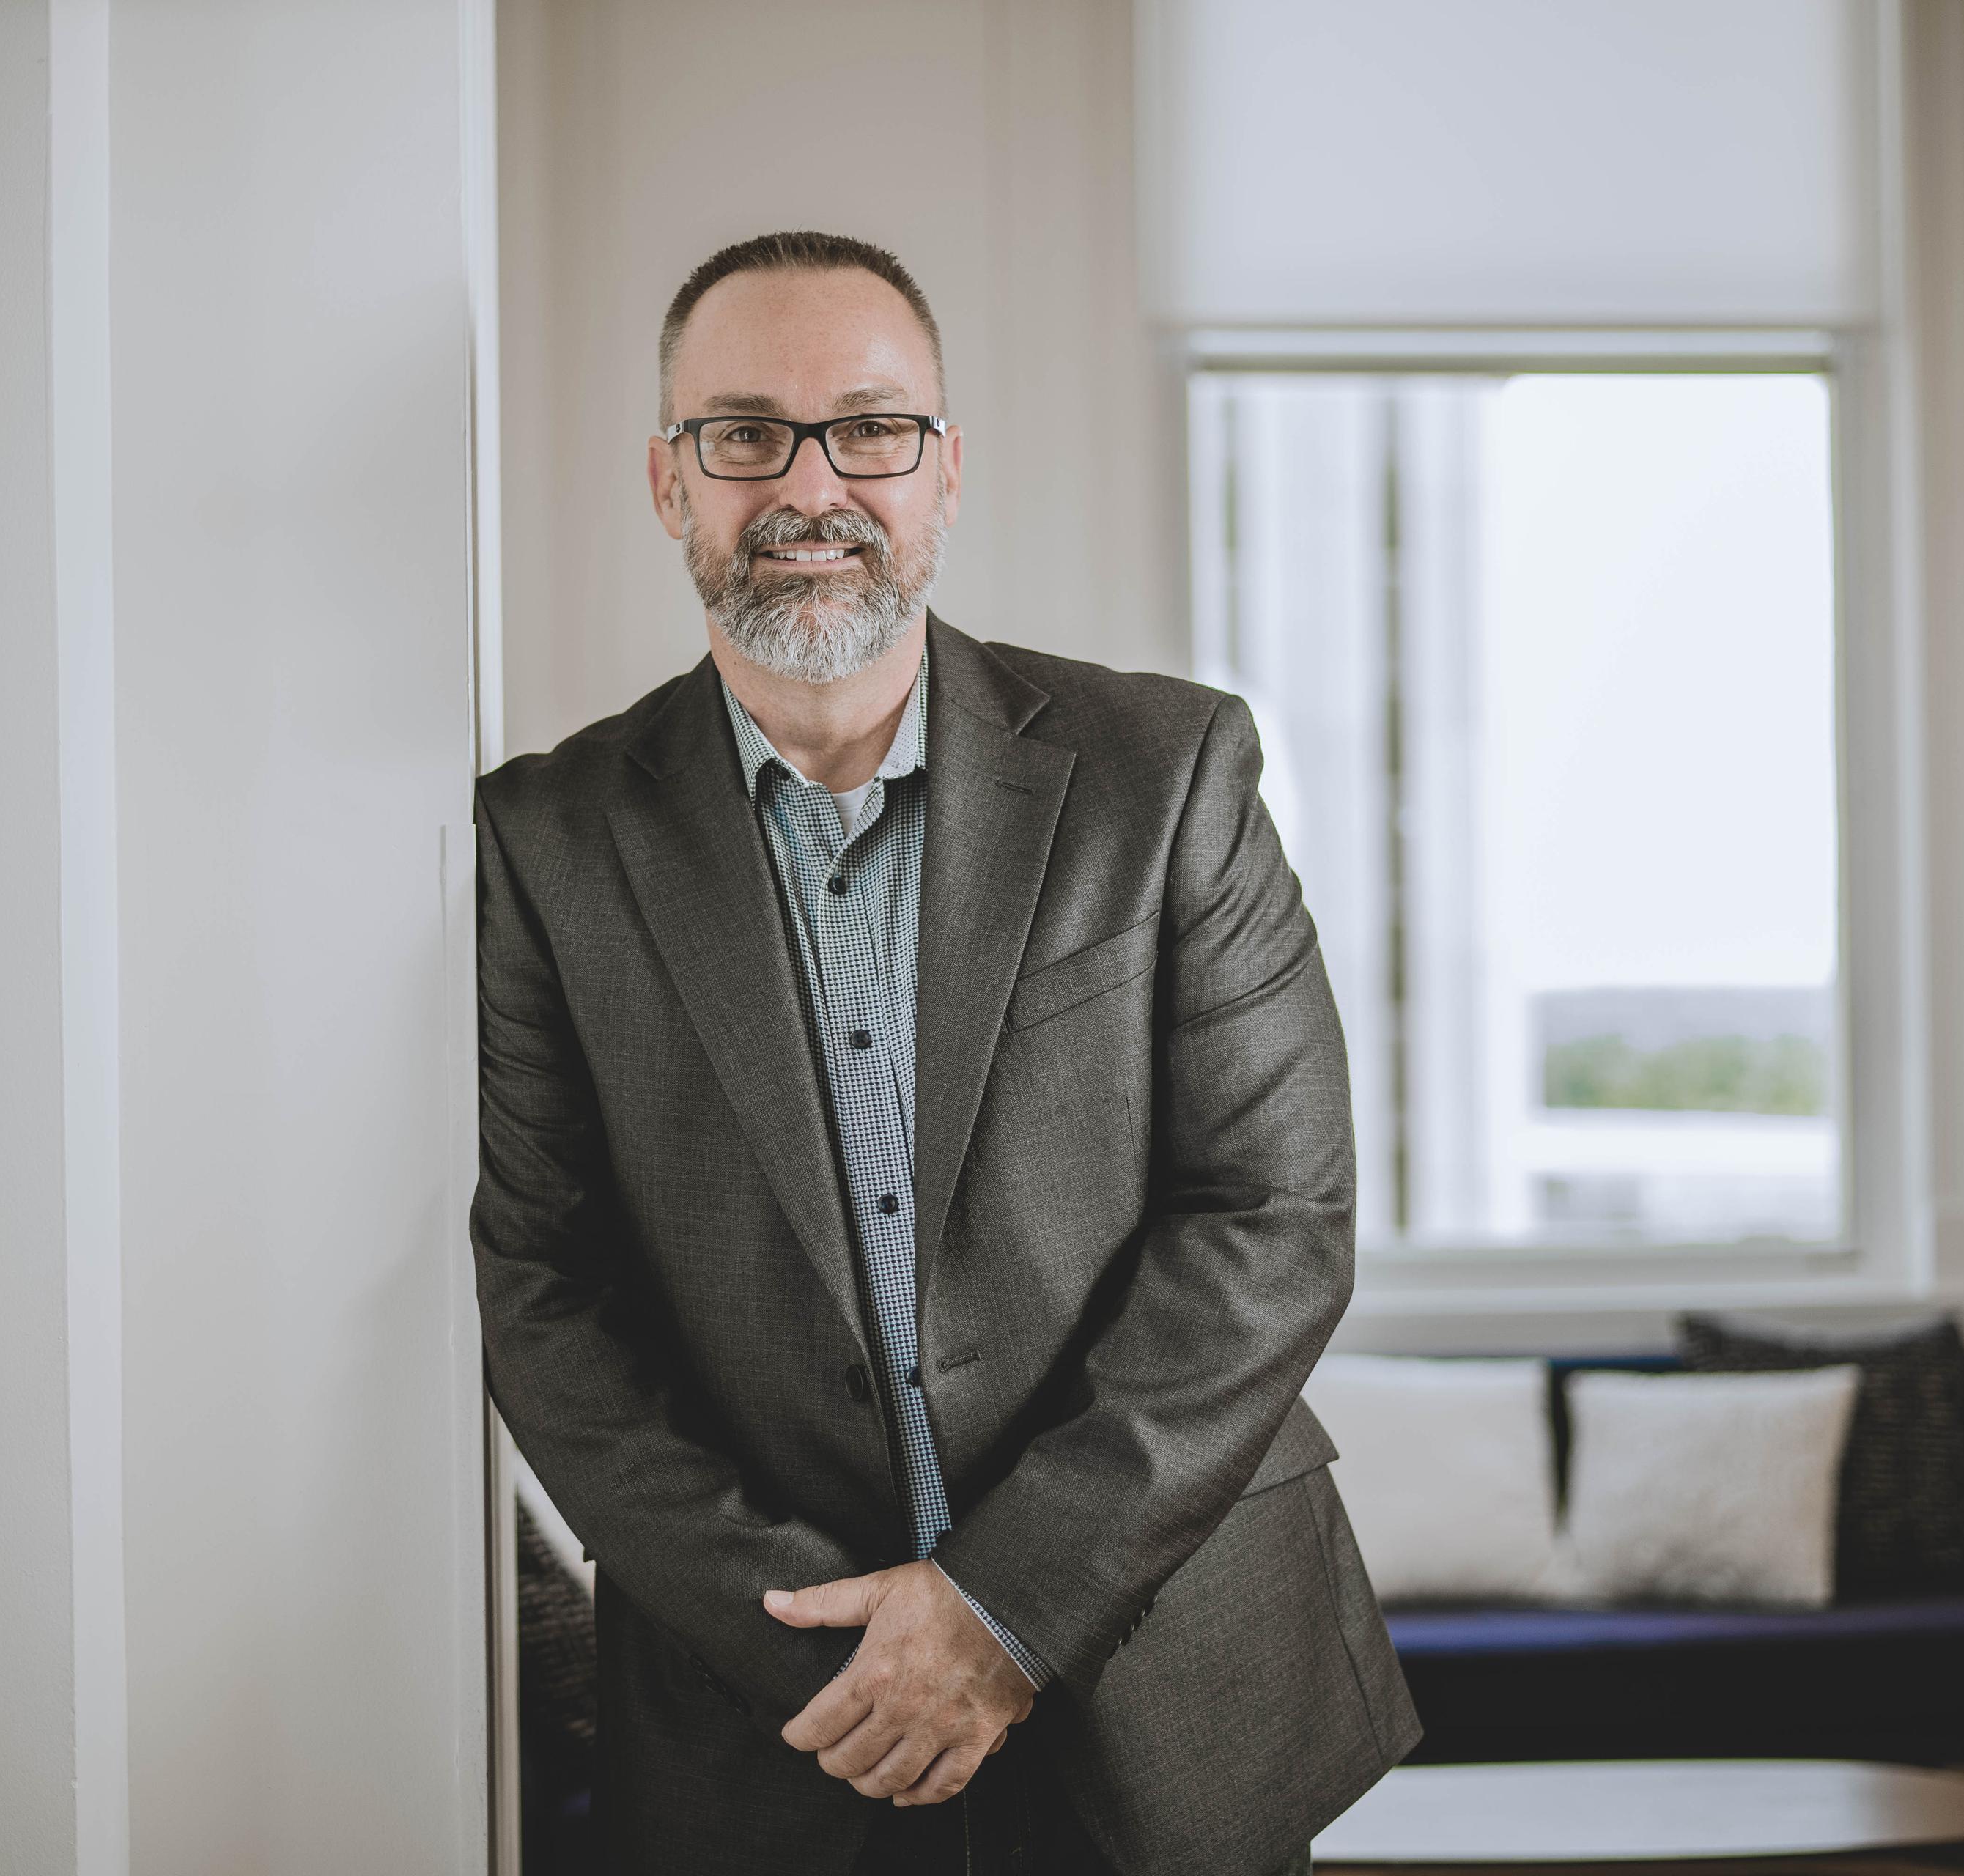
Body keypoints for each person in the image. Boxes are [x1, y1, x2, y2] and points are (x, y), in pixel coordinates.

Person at [470, 229, 1417, 1876]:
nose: (812, 482)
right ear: (667, 479)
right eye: (746, 432)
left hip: (1169, 1670)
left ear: (947, 470)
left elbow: (1274, 1215)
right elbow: (545, 1288)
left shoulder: (1167, 771)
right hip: (778, 1711)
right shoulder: (542, 839)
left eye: (873, 426)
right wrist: (848, 1656)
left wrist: (1000, 1606)